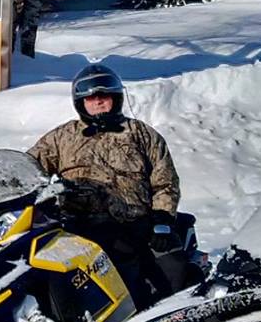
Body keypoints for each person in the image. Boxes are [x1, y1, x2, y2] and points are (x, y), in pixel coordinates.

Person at [27, 62, 182, 301]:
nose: (98, 101)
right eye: (91, 98)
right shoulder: (62, 137)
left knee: (159, 273)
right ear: (81, 103)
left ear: (116, 98)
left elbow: (165, 181)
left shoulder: (141, 134)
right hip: (75, 224)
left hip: (131, 223)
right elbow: (29, 167)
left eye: (104, 96)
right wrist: (2, 189)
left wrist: (162, 218)